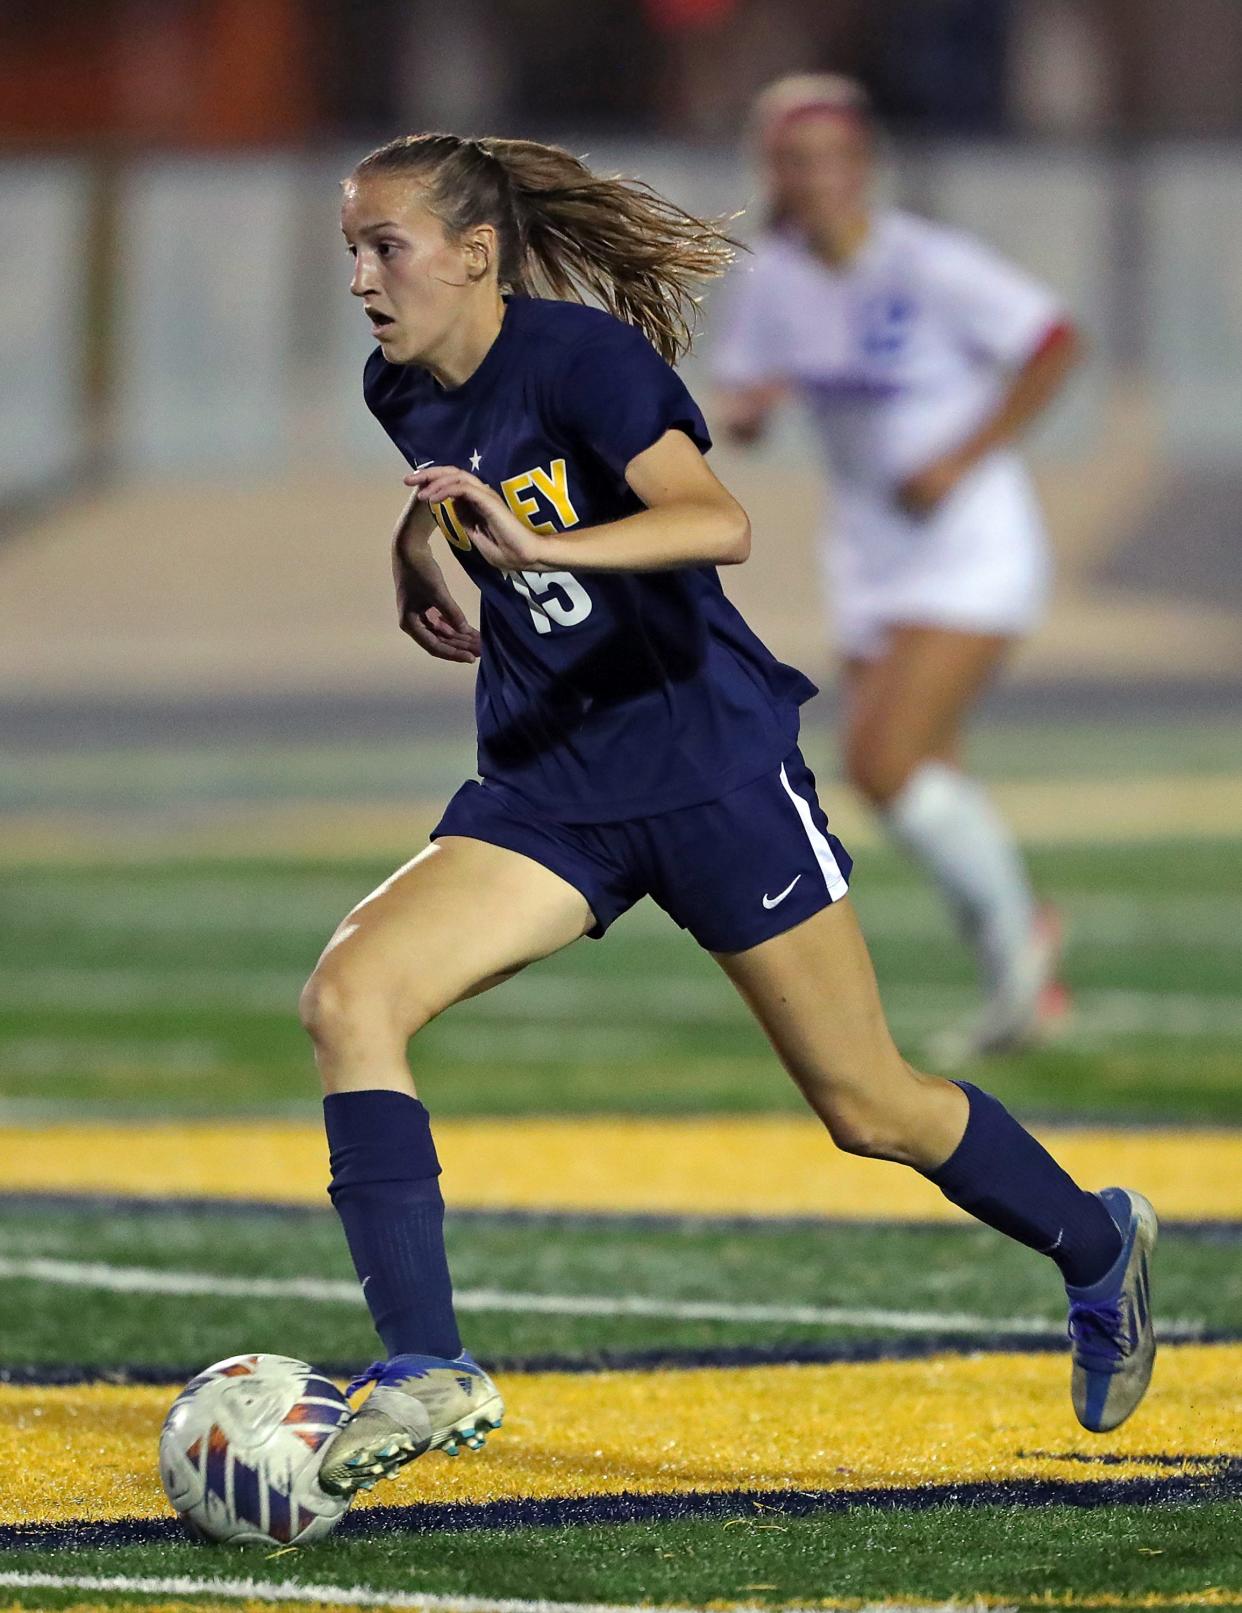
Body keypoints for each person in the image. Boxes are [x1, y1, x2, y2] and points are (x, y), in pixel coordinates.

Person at [302, 130, 1155, 1499]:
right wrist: (422, 547)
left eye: (381, 244)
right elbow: (476, 498)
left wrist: (538, 549)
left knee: (869, 1106)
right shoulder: (396, 382)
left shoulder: (583, 360)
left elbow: (715, 521)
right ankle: (424, 1366)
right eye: (348, 246)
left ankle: (1094, 1244)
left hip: (708, 769)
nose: (357, 275)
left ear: (474, 253)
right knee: (350, 995)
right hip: (549, 783)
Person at [710, 74, 1082, 1061]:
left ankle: (1021, 958)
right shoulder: (775, 281)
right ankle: (1022, 968)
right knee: (923, 775)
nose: (819, 178)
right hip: (871, 555)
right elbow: (746, 400)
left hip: (970, 545)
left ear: (865, 166)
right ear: (774, 172)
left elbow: (1051, 340)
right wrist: (747, 415)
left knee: (881, 763)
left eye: (836, 158)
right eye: (797, 160)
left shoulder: (926, 263)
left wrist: (964, 456)